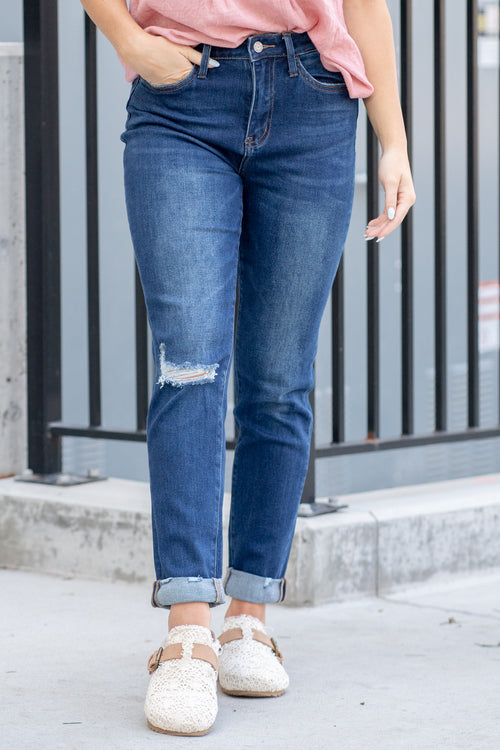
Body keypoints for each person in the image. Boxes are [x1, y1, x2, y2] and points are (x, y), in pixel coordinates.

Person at [80, 0, 415, 737]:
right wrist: (130, 40)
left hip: (312, 102)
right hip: (182, 100)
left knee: (279, 381)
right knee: (189, 366)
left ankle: (249, 619)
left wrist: (393, 141)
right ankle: (188, 631)